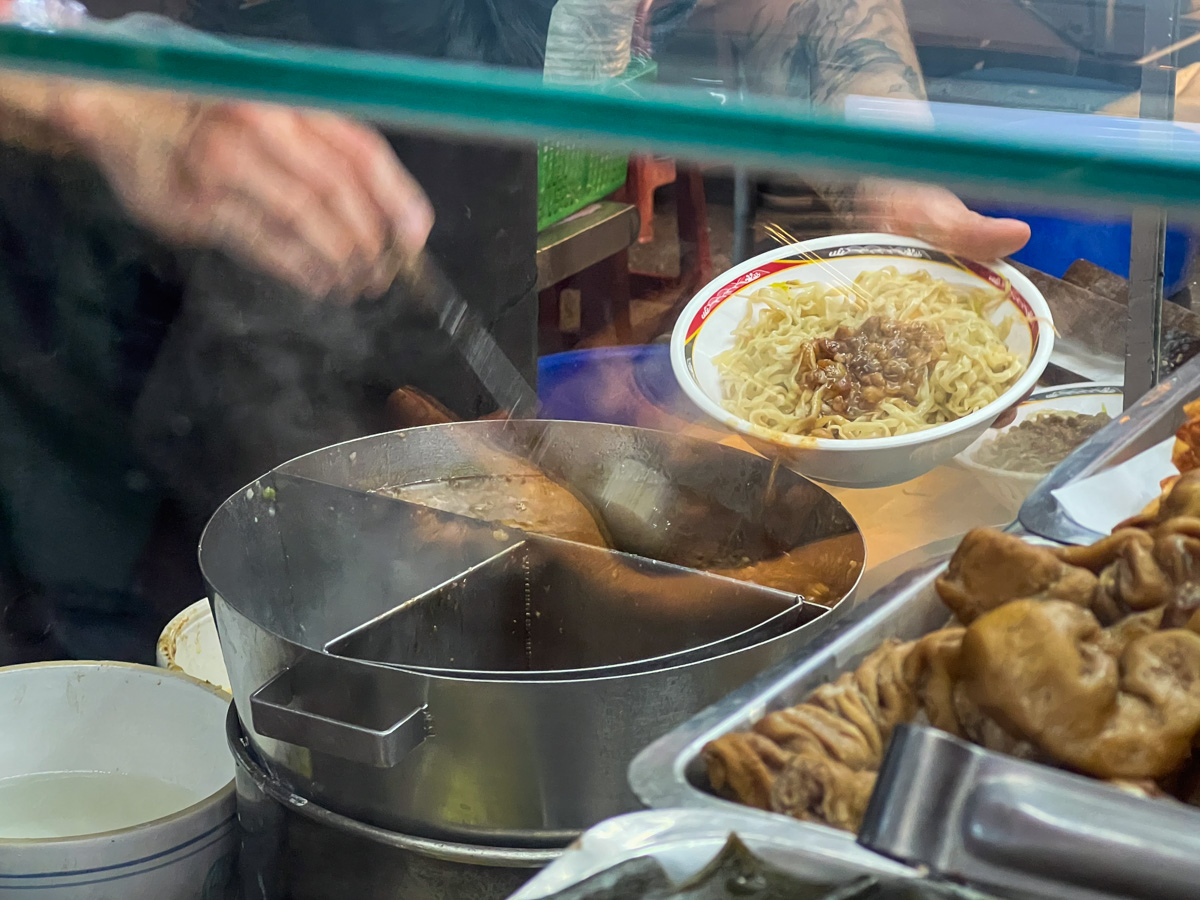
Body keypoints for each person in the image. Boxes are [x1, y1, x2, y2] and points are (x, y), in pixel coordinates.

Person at [0, 0, 1025, 662]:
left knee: (472, 676)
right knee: (152, 734)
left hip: (444, 280)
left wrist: (886, 157)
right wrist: (128, 105)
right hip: (100, 356)